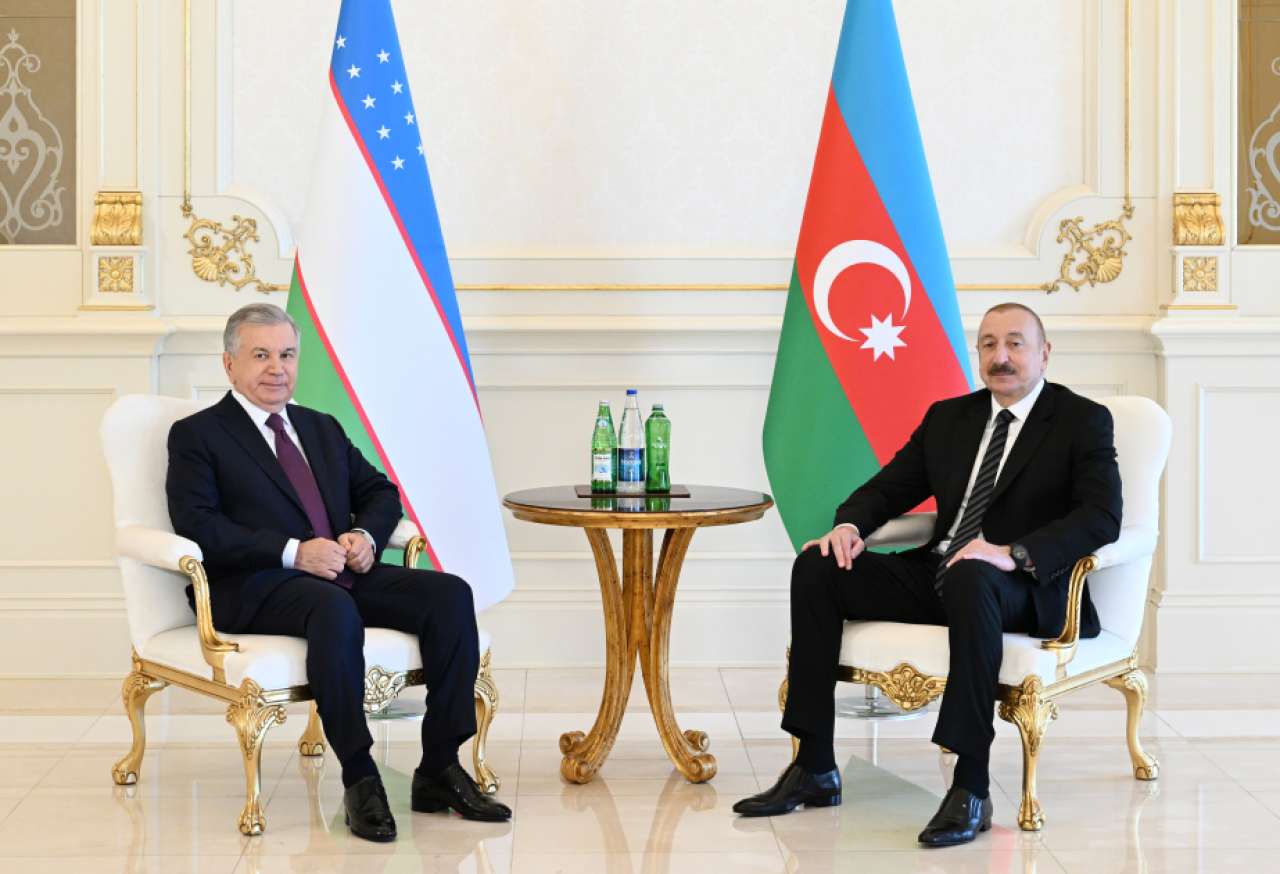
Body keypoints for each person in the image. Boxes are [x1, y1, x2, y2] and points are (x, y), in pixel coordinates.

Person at [735, 303, 1121, 847]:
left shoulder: (1081, 420)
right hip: (940, 574)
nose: (1001, 357)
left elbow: (1102, 516)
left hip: (1021, 585)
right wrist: (848, 526)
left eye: (1015, 343)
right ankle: (814, 766)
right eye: (989, 344)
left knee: (972, 575)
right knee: (819, 566)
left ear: (1044, 353)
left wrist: (1012, 553)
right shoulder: (950, 418)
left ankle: (970, 786)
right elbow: (889, 487)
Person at [166, 303, 510, 843]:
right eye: (260, 355)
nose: (277, 368)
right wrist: (292, 552)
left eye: (286, 355)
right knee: (332, 606)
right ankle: (360, 776)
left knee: (448, 594)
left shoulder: (319, 426)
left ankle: (439, 767)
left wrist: (366, 536)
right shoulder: (198, 435)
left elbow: (380, 492)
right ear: (229, 364)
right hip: (254, 584)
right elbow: (198, 524)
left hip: (341, 573)